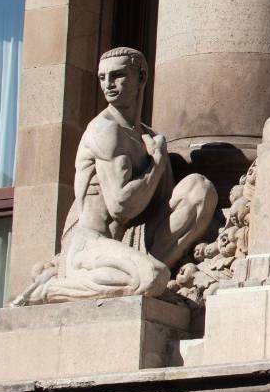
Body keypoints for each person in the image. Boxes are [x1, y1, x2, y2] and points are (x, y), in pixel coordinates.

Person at [12, 47, 217, 305]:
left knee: (200, 189)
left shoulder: (149, 136)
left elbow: (160, 201)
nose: (108, 84)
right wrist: (155, 165)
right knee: (154, 277)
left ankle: (139, 273)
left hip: (131, 239)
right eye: (102, 77)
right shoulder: (104, 130)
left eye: (117, 75)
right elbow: (121, 206)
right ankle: (49, 290)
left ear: (141, 77)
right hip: (91, 245)